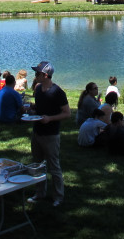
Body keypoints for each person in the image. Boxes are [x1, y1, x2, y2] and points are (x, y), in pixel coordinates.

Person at [27, 61, 70, 207]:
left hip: (51, 135)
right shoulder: (38, 89)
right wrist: (31, 110)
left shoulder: (57, 92)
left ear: (46, 75)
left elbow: (67, 113)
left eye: (37, 73)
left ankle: (58, 196)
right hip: (37, 132)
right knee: (37, 165)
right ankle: (39, 193)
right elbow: (39, 109)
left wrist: (50, 118)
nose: (35, 75)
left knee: (54, 167)